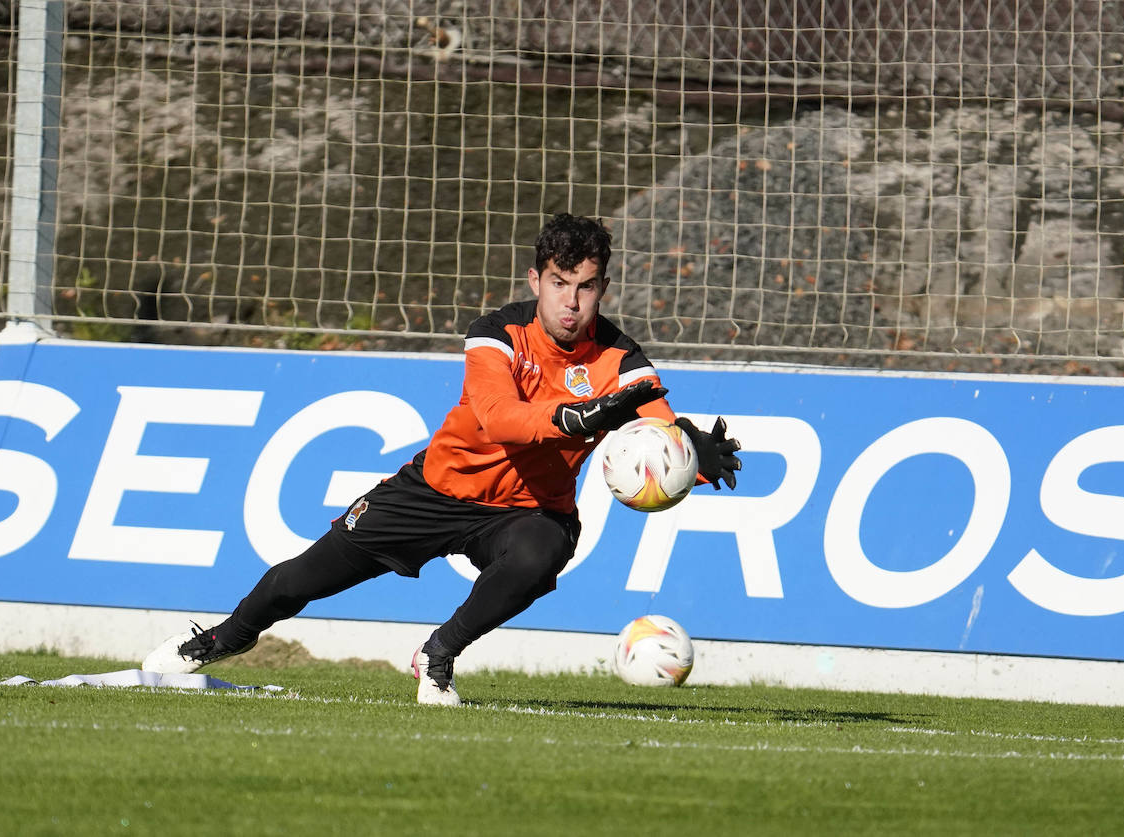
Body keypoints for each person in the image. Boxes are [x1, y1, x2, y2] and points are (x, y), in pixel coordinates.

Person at [142, 213, 743, 706]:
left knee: (541, 555)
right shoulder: (496, 334)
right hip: (433, 491)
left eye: (585, 287)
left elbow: (656, 426)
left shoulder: (622, 358)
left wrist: (689, 447)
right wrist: (572, 417)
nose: (571, 302)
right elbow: (496, 415)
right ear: (536, 281)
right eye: (560, 283)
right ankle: (222, 638)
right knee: (298, 580)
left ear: (602, 290)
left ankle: (439, 654)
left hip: (528, 511)